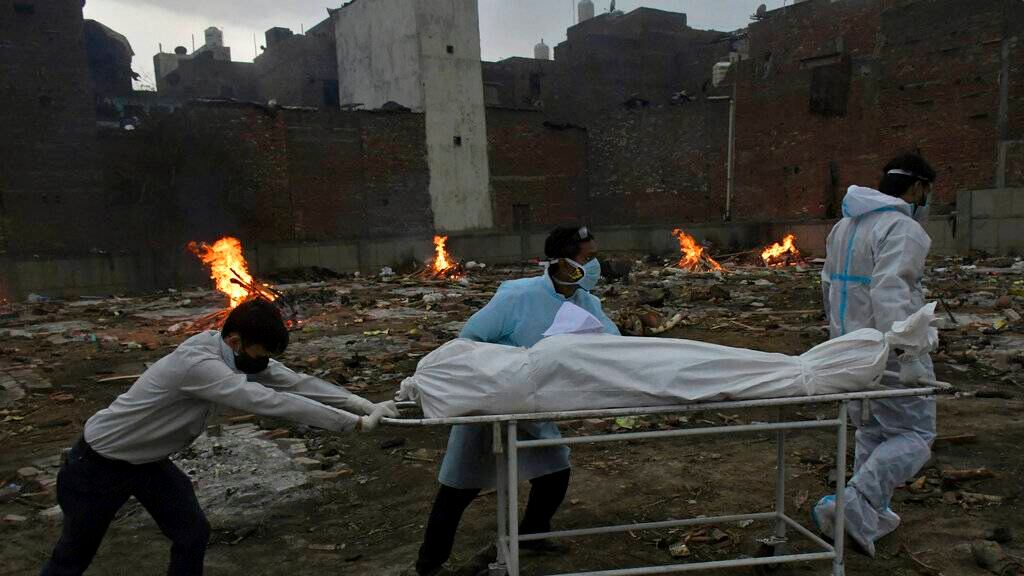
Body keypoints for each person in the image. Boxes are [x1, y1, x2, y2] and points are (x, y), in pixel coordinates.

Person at [41, 298, 398, 576]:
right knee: (73, 556)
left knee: (192, 533)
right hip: (97, 466)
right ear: (235, 340)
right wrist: (352, 423)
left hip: (148, 463)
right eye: (261, 354)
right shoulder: (199, 365)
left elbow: (294, 382)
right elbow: (270, 401)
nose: (264, 362)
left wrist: (359, 403)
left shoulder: (234, 353)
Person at [404, 225, 620, 576]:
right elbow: (469, 340)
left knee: (555, 472)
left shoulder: (587, 303)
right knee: (460, 486)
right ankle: (429, 564)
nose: (596, 265)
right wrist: (507, 368)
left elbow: (615, 345)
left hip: (535, 404)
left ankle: (532, 535)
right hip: (492, 401)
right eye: (589, 258)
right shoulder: (517, 296)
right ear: (563, 262)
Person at [812, 153, 938, 557]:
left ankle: (865, 516)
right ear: (917, 187)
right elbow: (891, 293)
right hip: (889, 352)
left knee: (872, 431)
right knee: (915, 435)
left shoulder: (845, 226)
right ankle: (853, 503)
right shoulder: (902, 229)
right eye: (927, 191)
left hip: (851, 349)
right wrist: (910, 354)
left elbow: (829, 288)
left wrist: (839, 344)